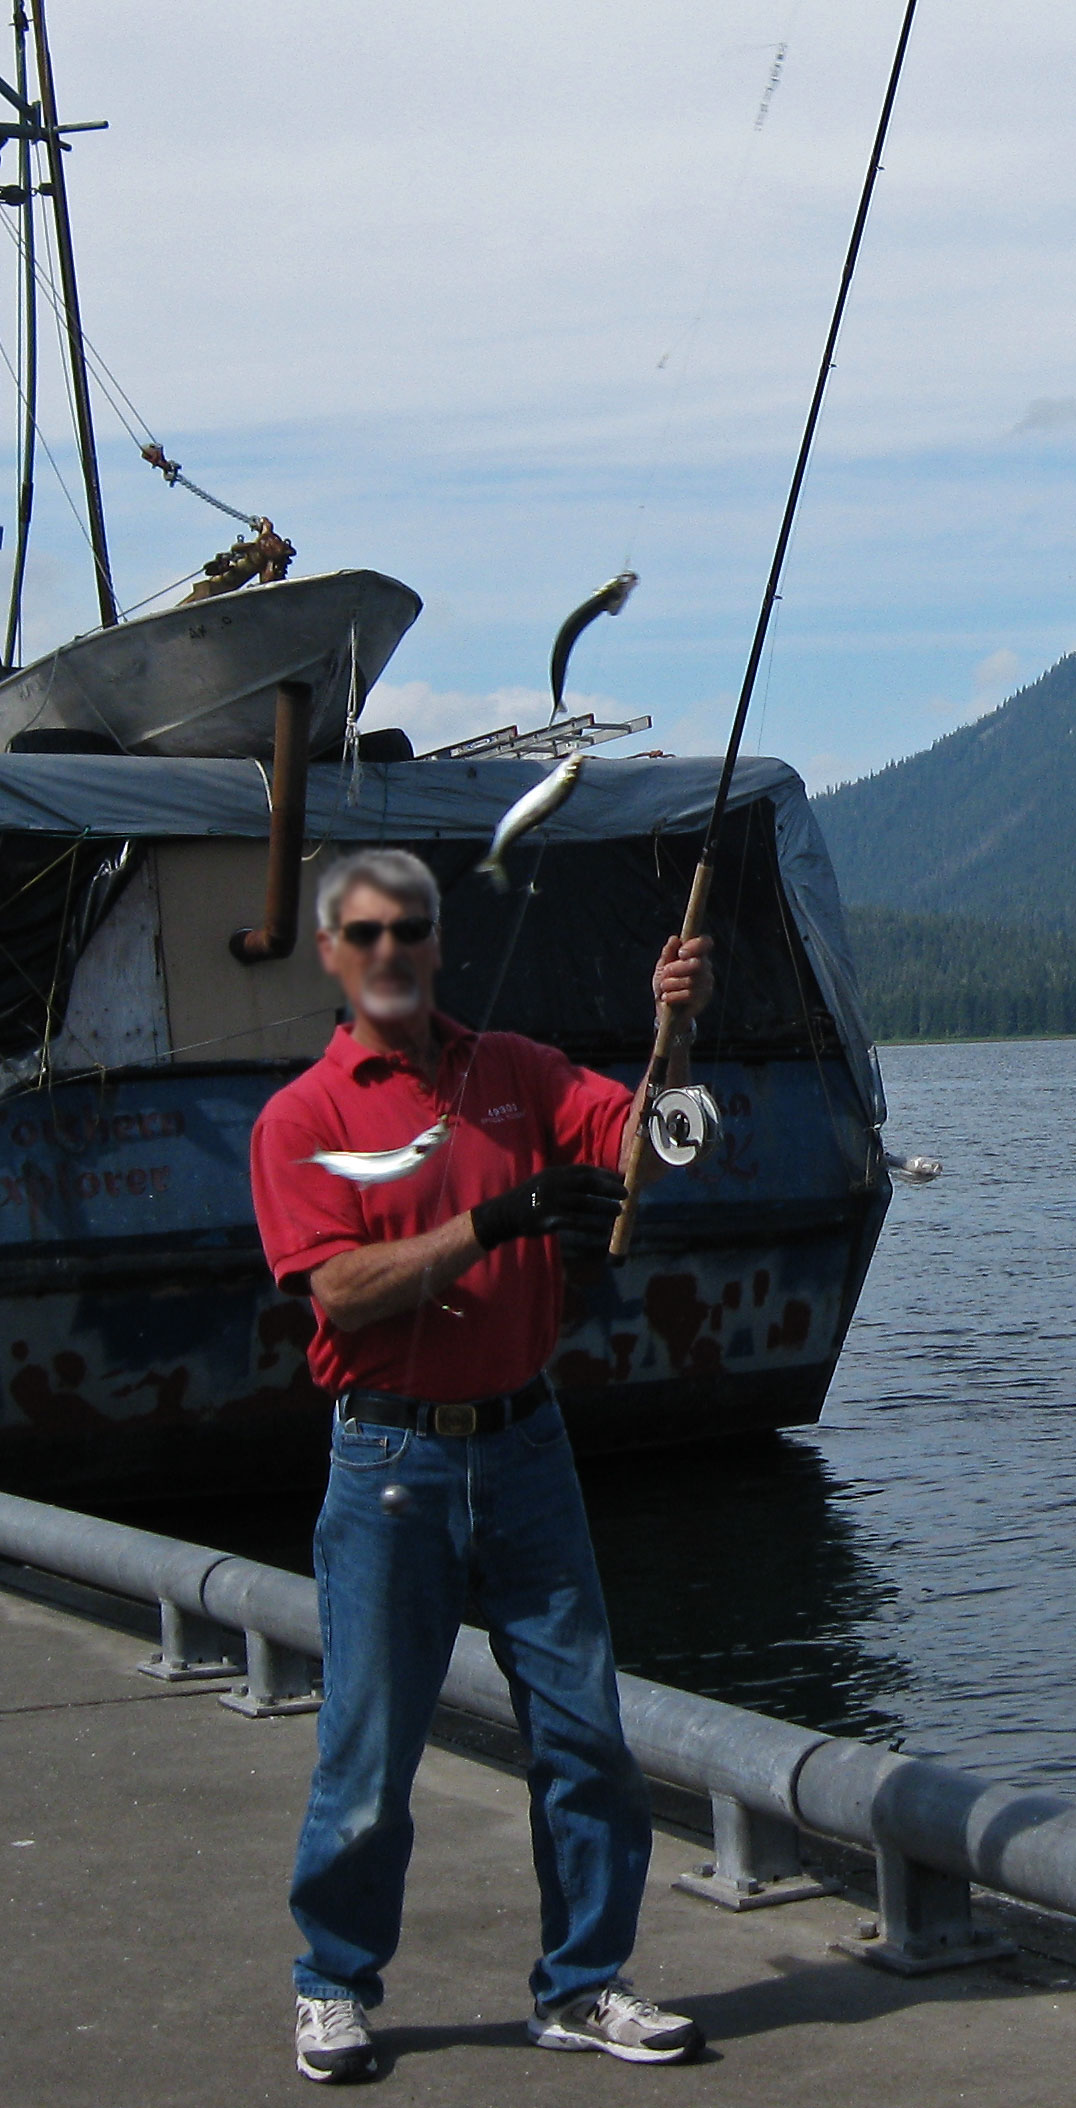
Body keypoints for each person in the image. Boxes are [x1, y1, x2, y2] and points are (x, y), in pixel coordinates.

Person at [249, 846, 714, 2085]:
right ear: (335, 956)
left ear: (435, 942)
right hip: (387, 1459)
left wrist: (674, 1043)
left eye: (410, 928)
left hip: (527, 1445)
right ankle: (332, 1981)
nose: (391, 950)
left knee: (587, 1733)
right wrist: (490, 1223)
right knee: (368, 1746)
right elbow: (338, 1291)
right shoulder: (304, 1118)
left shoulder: (514, 1069)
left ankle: (583, 1983)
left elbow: (647, 1149)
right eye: (365, 933)